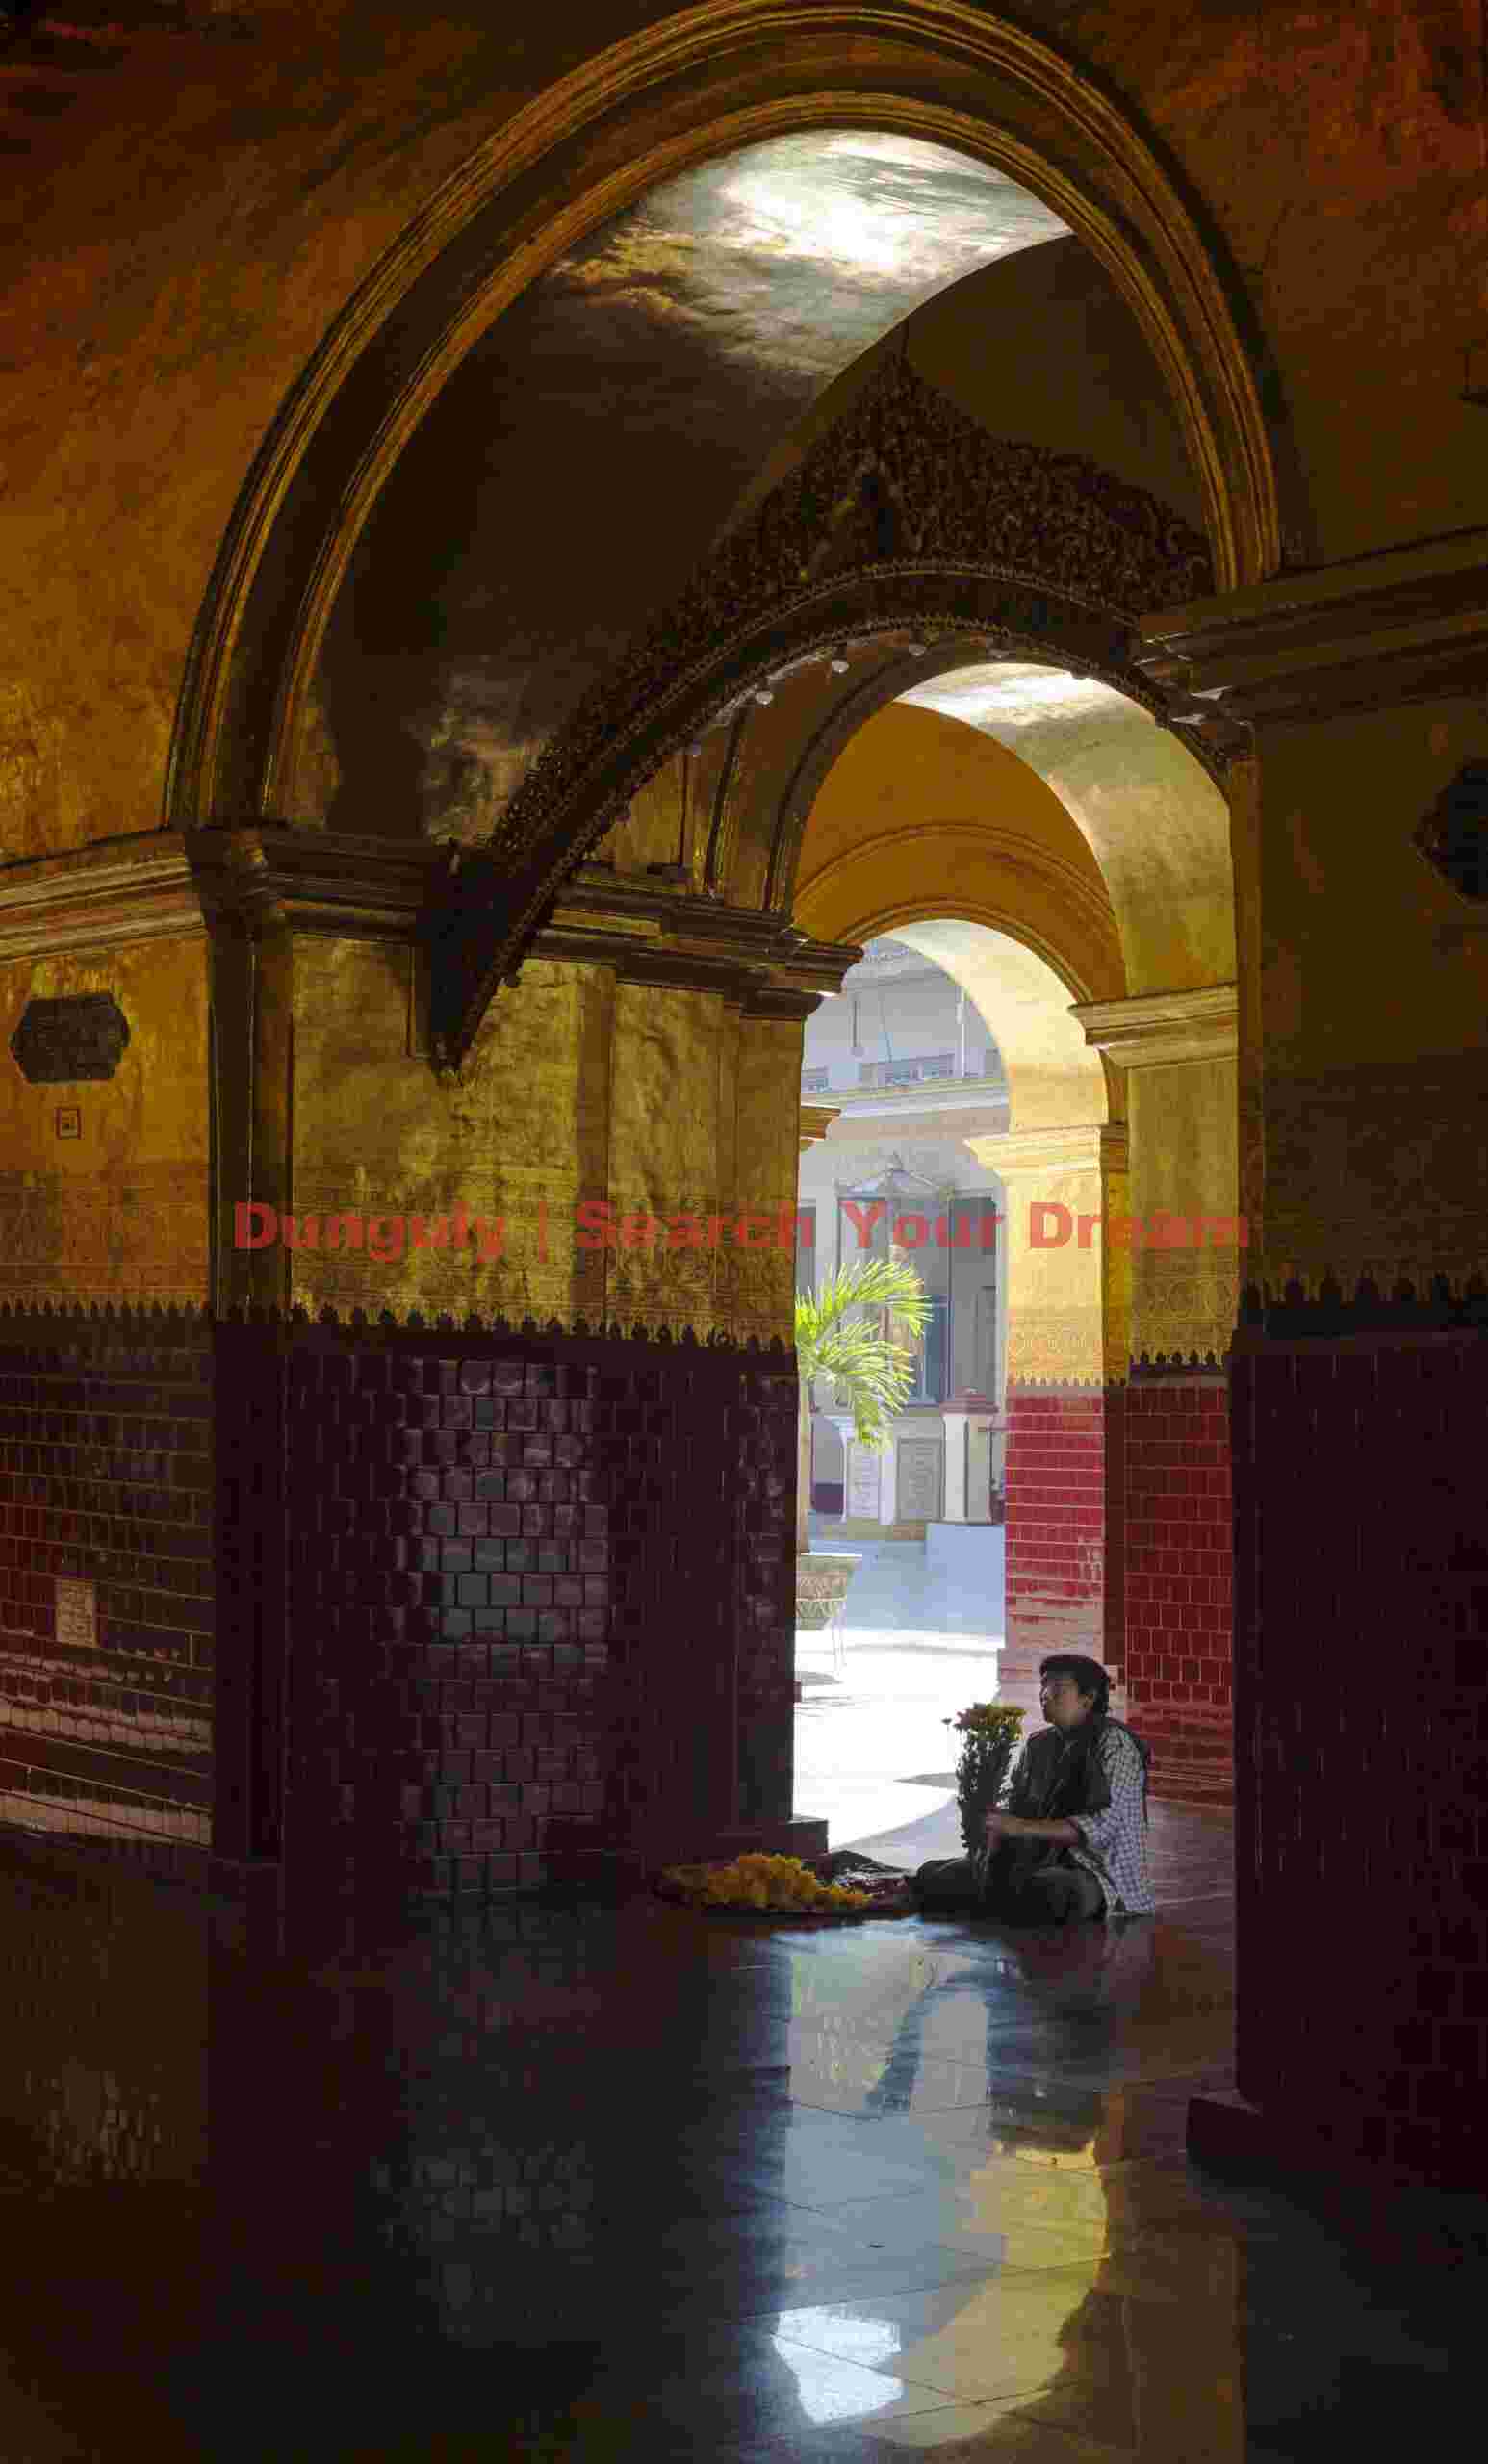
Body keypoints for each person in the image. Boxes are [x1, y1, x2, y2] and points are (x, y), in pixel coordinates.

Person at [912, 1655, 1154, 1924]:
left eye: (1057, 1689)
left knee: (1050, 1892)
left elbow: (1103, 1826)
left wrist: (1018, 1827)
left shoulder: (1114, 1745)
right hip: (1033, 1859)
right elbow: (1017, 1807)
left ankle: (995, 1898)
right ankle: (997, 1897)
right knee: (932, 1875)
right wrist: (991, 1824)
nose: (1045, 1695)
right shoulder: (1039, 1745)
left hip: (1095, 1870)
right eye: (1043, 1686)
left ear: (1088, 1697)